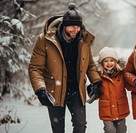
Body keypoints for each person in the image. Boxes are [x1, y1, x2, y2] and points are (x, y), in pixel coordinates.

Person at [28, 3, 102, 133]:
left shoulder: (83, 41)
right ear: (64, 25)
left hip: (76, 91)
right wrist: (40, 89)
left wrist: (96, 82)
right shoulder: (45, 40)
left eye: (78, 26)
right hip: (55, 91)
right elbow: (35, 67)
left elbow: (89, 65)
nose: (75, 30)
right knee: (58, 129)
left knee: (80, 127)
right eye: (72, 26)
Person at [88, 47, 130, 133]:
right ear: (101, 63)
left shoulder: (121, 74)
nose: (109, 63)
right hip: (106, 110)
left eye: (111, 60)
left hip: (120, 108)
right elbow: (96, 95)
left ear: (115, 62)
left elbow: (129, 86)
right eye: (106, 61)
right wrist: (91, 91)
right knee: (110, 130)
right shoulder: (99, 76)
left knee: (121, 130)